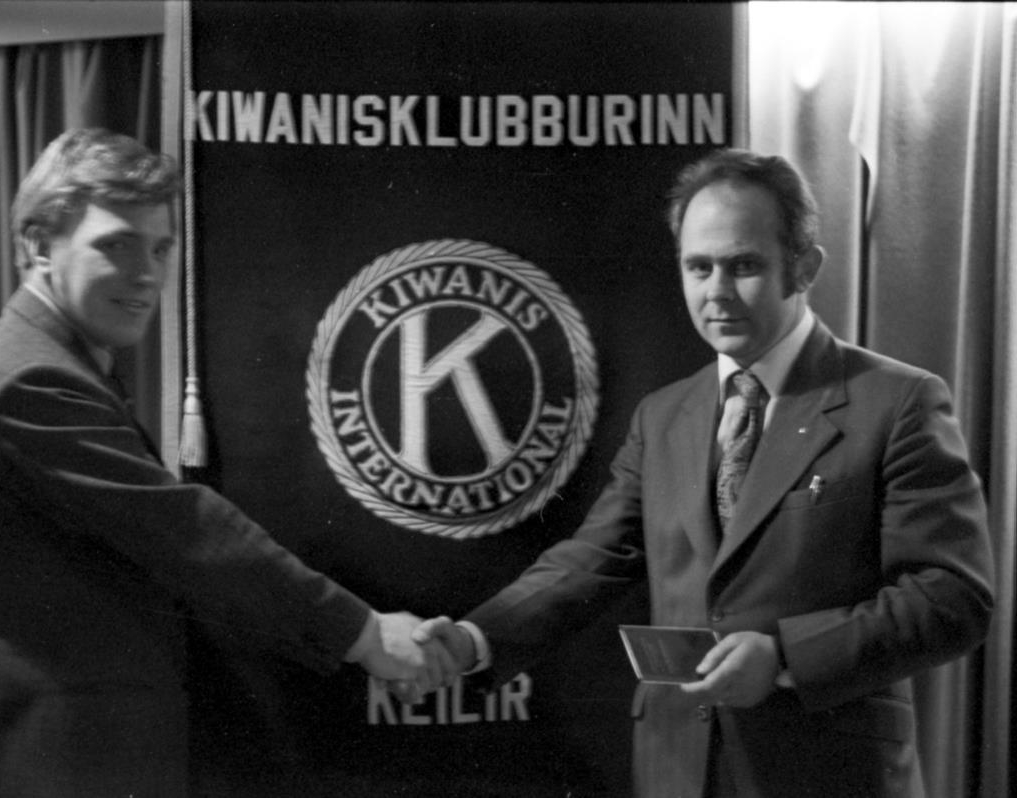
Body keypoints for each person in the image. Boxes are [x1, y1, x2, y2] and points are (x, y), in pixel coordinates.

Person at [413, 148, 995, 797]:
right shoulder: (663, 415)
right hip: (677, 768)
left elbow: (952, 598)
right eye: (698, 267)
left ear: (805, 266)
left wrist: (784, 658)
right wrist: (473, 639)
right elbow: (592, 559)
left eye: (743, 266)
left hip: (826, 773)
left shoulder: (899, 401)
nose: (715, 291)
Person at [0, 128, 449, 797]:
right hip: (39, 764)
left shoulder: (29, 354)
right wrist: (365, 635)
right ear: (38, 245)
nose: (148, 274)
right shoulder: (29, 380)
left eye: (160, 248)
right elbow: (190, 534)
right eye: (116, 245)